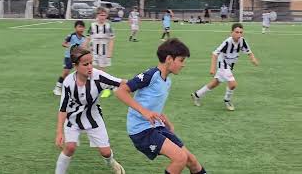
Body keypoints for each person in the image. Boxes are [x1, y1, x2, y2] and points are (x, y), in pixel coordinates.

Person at [115, 38, 207, 174]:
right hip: (141, 130)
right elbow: (121, 91)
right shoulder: (150, 75)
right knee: (180, 158)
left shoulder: (167, 81)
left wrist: (166, 121)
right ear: (169, 59)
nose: (183, 65)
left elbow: (153, 104)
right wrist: (144, 112)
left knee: (191, 160)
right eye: (181, 60)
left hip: (156, 126)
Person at [54, 45, 125, 174]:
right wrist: (59, 131)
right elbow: (63, 108)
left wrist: (142, 81)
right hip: (73, 119)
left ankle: (111, 162)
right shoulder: (68, 83)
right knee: (70, 147)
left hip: (93, 117)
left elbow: (121, 82)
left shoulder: (98, 76)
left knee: (106, 152)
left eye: (91, 63)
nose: (90, 67)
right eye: (85, 64)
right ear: (76, 66)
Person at [191, 23, 259, 111]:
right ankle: (227, 100)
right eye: (237, 32)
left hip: (230, 65)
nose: (239, 34)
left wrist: (253, 59)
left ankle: (196, 95)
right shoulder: (227, 42)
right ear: (231, 32)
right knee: (233, 84)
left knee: (215, 83)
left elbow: (249, 51)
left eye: (241, 32)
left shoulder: (242, 41)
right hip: (223, 64)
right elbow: (215, 54)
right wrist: (212, 68)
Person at [83, 7, 115, 98]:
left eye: (104, 15)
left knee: (102, 71)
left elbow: (112, 39)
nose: (102, 17)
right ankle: (92, 88)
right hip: (93, 51)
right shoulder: (92, 25)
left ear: (106, 16)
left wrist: (110, 52)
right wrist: (84, 49)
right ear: (97, 15)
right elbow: (88, 38)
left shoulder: (108, 26)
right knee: (90, 70)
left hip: (104, 51)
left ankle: (107, 89)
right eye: (101, 15)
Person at [53, 20, 87, 96]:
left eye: (82, 27)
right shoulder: (71, 35)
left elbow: (84, 48)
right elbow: (63, 43)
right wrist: (71, 46)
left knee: (80, 73)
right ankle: (57, 88)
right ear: (75, 28)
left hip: (78, 58)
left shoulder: (84, 38)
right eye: (79, 27)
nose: (81, 29)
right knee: (66, 72)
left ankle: (78, 89)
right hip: (69, 57)